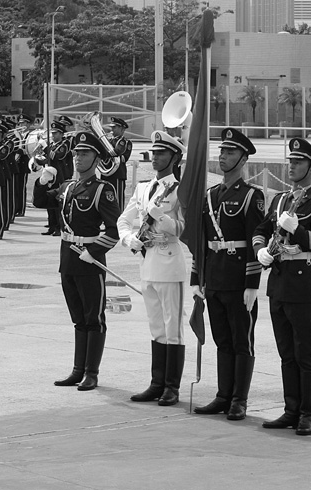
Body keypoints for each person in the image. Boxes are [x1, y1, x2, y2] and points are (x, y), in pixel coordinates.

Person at [253, 137, 311, 436]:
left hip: (304, 286)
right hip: (279, 283)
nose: (291, 166)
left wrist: (298, 230)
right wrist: (260, 250)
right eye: (290, 161)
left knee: (305, 354)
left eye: (298, 162)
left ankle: (306, 415)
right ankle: (290, 410)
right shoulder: (279, 200)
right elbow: (260, 230)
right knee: (286, 353)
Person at [33, 131, 120, 391]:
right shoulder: (68, 187)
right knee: (78, 318)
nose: (78, 158)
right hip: (68, 259)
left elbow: (114, 230)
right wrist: (42, 180)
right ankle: (77, 370)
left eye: (85, 154)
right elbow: (39, 202)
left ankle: (91, 373)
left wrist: (93, 253)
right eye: (77, 153)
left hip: (89, 260)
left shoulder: (103, 189)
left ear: (96, 158)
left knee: (94, 318)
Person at [192, 128, 265, 420]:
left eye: (230, 152)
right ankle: (223, 395)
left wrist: (252, 284)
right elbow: (202, 243)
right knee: (222, 339)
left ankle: (239, 399)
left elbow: (255, 241)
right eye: (222, 151)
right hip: (215, 278)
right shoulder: (210, 195)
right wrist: (197, 279)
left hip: (238, 279)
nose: (223, 157)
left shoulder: (251, 196)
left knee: (241, 341)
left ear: (243, 158)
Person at [118, 130, 187, 406]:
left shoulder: (180, 189)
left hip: (170, 261)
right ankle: (156, 383)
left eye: (162, 153)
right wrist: (128, 239)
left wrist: (161, 217)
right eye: (154, 152)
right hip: (147, 262)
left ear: (174, 157)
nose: (156, 157)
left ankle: (172, 386)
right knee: (156, 326)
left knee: (174, 328)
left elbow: (182, 229)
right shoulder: (143, 188)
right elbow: (124, 219)